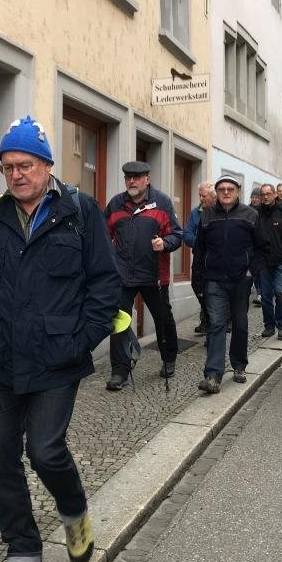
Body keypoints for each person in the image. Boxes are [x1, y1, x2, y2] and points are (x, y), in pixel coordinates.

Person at [0, 116, 120, 562]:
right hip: (1, 358)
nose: (15, 175)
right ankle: (24, 555)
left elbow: (104, 283)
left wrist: (81, 340)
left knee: (46, 450)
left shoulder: (79, 211)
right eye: (7, 167)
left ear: (47, 165)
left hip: (57, 357)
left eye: (24, 165)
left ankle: (74, 514)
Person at [104, 161, 183, 391]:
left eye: (136, 177)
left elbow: (177, 235)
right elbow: (104, 234)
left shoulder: (162, 202)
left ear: (147, 179)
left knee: (163, 318)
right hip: (123, 275)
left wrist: (164, 243)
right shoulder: (115, 204)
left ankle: (168, 358)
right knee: (119, 322)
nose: (132, 181)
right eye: (128, 177)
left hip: (154, 275)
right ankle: (119, 371)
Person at [193, 175, 266, 394]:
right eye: (222, 189)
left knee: (240, 324)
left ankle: (239, 365)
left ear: (237, 192)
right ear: (216, 193)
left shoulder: (250, 215)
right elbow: (199, 250)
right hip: (214, 279)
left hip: (240, 279)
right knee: (216, 324)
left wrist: (251, 270)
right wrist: (198, 279)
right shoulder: (207, 215)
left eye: (230, 189)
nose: (226, 192)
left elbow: (262, 248)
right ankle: (213, 375)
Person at [255, 183, 282, 340]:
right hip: (263, 262)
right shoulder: (257, 213)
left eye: (268, 194)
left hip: (280, 261)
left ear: (275, 194)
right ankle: (269, 326)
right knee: (266, 296)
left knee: (280, 292)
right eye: (263, 194)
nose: (265, 197)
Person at [183, 181, 215, 335]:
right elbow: (187, 234)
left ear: (213, 197)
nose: (201, 199)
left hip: (215, 260)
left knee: (212, 290)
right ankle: (207, 316)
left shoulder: (219, 212)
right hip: (199, 259)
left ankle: (211, 322)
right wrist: (201, 242)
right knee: (198, 288)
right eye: (200, 195)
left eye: (204, 196)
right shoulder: (195, 213)